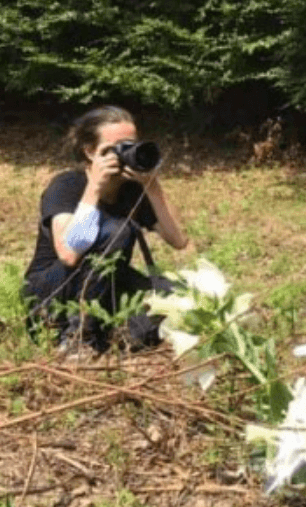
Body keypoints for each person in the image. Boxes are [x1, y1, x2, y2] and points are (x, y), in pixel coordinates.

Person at [22, 106, 188, 354]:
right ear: (90, 151)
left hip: (106, 284)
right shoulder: (67, 185)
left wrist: (152, 187)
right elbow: (68, 254)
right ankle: (78, 340)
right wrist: (94, 190)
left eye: (130, 146)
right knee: (116, 231)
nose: (124, 155)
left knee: (179, 295)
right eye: (116, 148)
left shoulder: (130, 189)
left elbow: (178, 240)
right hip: (52, 291)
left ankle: (110, 332)